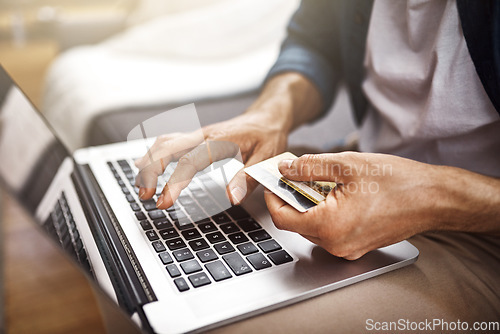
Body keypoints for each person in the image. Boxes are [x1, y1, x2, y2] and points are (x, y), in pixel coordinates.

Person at [135, 0, 500, 329]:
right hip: (358, 164)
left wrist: (435, 196)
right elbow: (314, 42)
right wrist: (270, 114)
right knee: (168, 245)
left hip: (481, 233)